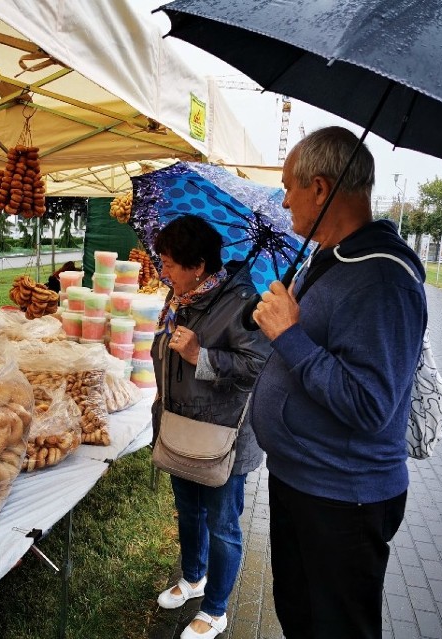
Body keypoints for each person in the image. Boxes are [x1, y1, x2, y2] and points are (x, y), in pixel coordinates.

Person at [250, 127, 427, 638]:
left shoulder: (384, 278)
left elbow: (371, 404)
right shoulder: (330, 258)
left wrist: (290, 334)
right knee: (301, 619)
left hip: (342, 499)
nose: (284, 201)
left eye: (289, 187)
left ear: (321, 189)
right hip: (302, 481)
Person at [151, 215, 269, 639]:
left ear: (197, 265)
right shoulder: (179, 298)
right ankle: (193, 578)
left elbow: (259, 366)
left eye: (168, 263)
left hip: (223, 438)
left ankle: (216, 608)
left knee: (222, 524)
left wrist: (201, 355)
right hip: (180, 425)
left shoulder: (244, 305)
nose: (163, 272)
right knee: (189, 512)